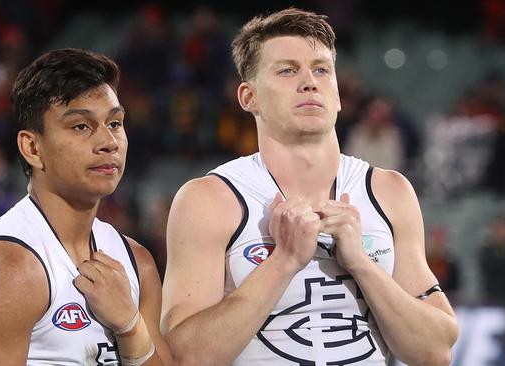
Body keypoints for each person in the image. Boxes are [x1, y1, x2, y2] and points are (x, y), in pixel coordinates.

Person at [161, 9, 458, 366]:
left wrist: (362, 265)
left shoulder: (389, 191)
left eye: (321, 69)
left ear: (338, 93)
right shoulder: (210, 199)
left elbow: (436, 352)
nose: (309, 82)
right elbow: (186, 356)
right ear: (247, 97)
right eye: (287, 70)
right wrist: (284, 261)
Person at [0, 48, 170, 366]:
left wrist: (130, 326)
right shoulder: (10, 269)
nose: (108, 141)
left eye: (115, 123)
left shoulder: (139, 263)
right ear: (32, 147)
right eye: (81, 126)